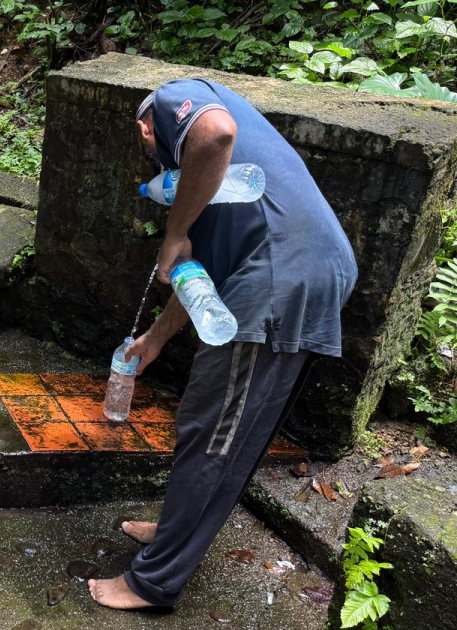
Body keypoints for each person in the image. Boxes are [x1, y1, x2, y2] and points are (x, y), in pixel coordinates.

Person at [87, 78, 358, 610]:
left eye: (151, 155)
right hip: (294, 270)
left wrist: (172, 232)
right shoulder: (213, 187)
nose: (156, 167)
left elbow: (213, 133)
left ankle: (153, 583)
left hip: (283, 276)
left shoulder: (175, 100)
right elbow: (200, 276)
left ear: (147, 129)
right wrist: (155, 338)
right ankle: (173, 534)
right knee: (225, 429)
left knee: (214, 430)